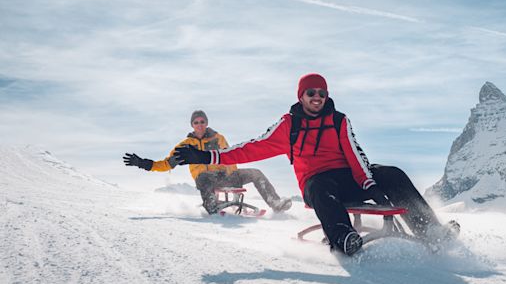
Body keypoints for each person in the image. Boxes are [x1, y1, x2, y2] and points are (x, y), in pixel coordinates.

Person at [174, 74, 458, 255]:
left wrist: (370, 183)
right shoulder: (289, 125)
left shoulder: (339, 120)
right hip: (317, 183)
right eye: (311, 93)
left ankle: (430, 231)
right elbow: (252, 148)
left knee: (392, 173)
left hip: (348, 179)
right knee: (322, 185)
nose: (317, 97)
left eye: (321, 93)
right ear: (301, 96)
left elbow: (356, 156)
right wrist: (207, 157)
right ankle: (343, 237)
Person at [123, 109, 292, 215]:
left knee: (256, 173)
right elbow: (166, 164)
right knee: (204, 178)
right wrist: (143, 163)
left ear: (207, 123)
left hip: (227, 176)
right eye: (196, 122)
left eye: (202, 122)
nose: (200, 125)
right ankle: (212, 206)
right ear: (192, 125)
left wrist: (231, 174)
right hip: (206, 179)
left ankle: (275, 203)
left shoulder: (218, 138)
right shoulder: (185, 146)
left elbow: (231, 156)